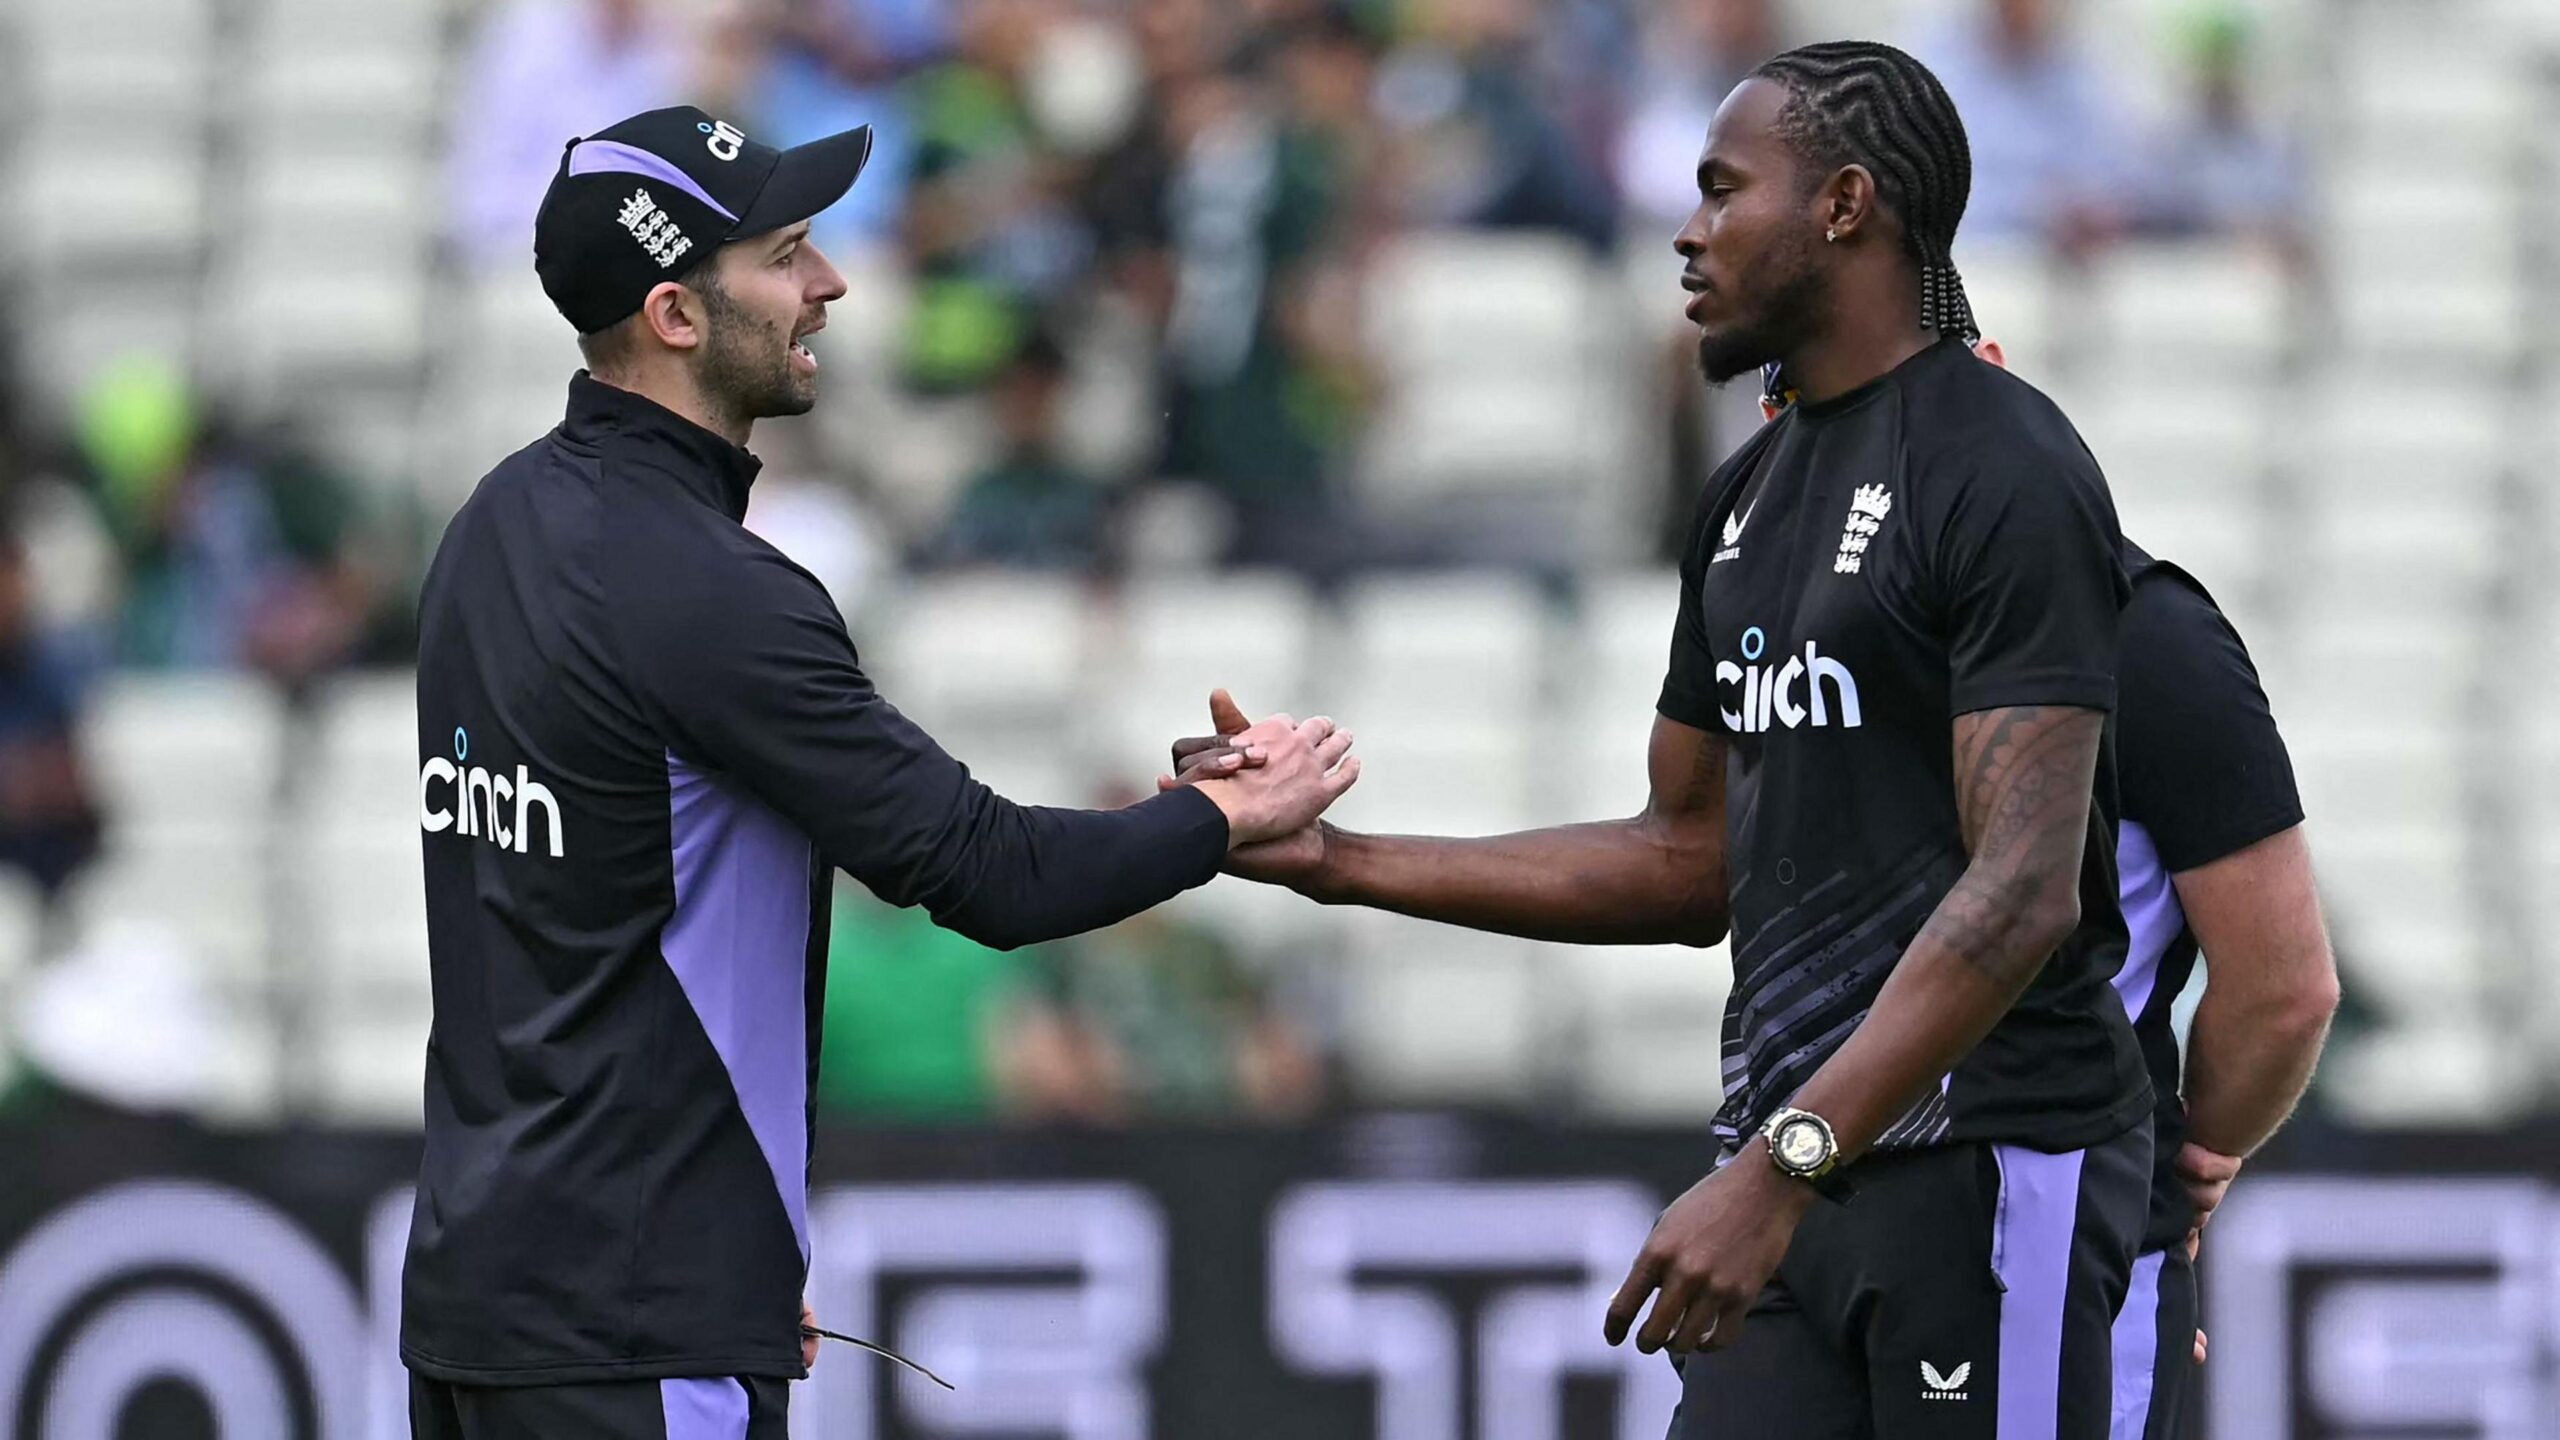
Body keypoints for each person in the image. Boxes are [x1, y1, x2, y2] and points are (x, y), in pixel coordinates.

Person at [1173, 41, 2151, 1436]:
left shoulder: (2004, 465)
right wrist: (1341, 859)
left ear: (1846, 205)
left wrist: (1781, 1164)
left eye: (1720, 191)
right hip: (1798, 1189)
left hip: (1988, 1170)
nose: (1687, 234)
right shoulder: (1747, 495)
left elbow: (2023, 892)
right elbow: (1693, 859)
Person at [402, 106, 1360, 1440]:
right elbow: (988, 874)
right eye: (787, 253)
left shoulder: (487, 528)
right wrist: (1220, 814)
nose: (830, 283)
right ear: (678, 315)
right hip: (635, 1320)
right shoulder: (714, 591)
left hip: (482, 1302)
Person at [2100, 538, 2337, 1438]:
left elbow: (2287, 990)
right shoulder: (2137, 623)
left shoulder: (2142, 628)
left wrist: (2181, 1163)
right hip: (2055, 1217)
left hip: (2034, 1221)